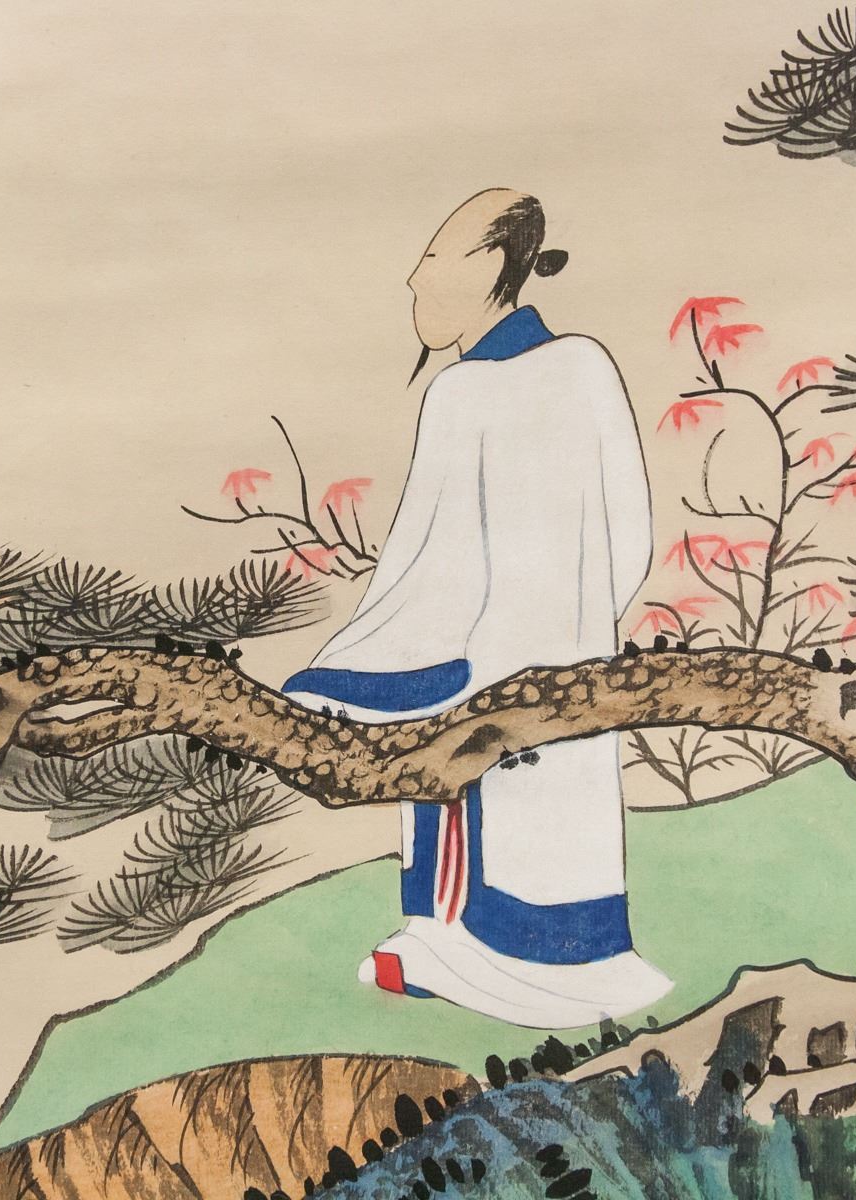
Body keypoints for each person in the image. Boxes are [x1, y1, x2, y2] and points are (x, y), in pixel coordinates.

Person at [281, 189, 672, 1029]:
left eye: (433, 255)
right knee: (554, 824)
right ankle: (555, 964)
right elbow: (630, 531)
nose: (414, 276)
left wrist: (371, 657)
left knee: (474, 802)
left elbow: (429, 560)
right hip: (570, 648)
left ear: (492, 264)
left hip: (483, 653)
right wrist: (580, 624)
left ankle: (464, 958)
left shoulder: (465, 390)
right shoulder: (587, 365)